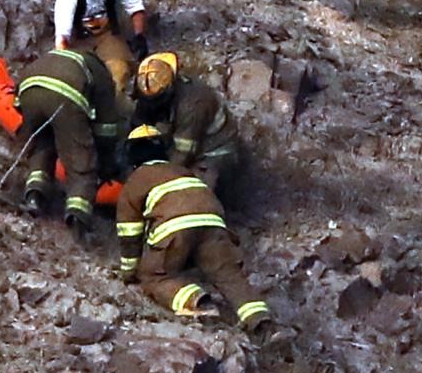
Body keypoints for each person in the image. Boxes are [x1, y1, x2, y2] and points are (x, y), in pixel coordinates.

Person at [115, 125, 274, 336]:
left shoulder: (137, 179)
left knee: (154, 277)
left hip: (176, 228)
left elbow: (129, 232)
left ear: (131, 155)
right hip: (214, 224)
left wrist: (129, 271)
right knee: (229, 276)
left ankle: (199, 302)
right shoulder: (182, 171)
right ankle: (262, 323)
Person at [14, 47, 124, 237]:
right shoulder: (102, 75)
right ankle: (77, 220)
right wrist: (106, 161)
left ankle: (34, 196)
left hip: (28, 87)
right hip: (65, 97)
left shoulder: (64, 55)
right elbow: (106, 128)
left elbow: (18, 106)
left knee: (41, 146)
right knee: (81, 162)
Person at [132, 52, 238, 190]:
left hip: (213, 152)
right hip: (178, 137)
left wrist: (156, 182)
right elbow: (138, 122)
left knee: (192, 193)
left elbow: (183, 154)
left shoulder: (194, 104)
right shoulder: (150, 91)